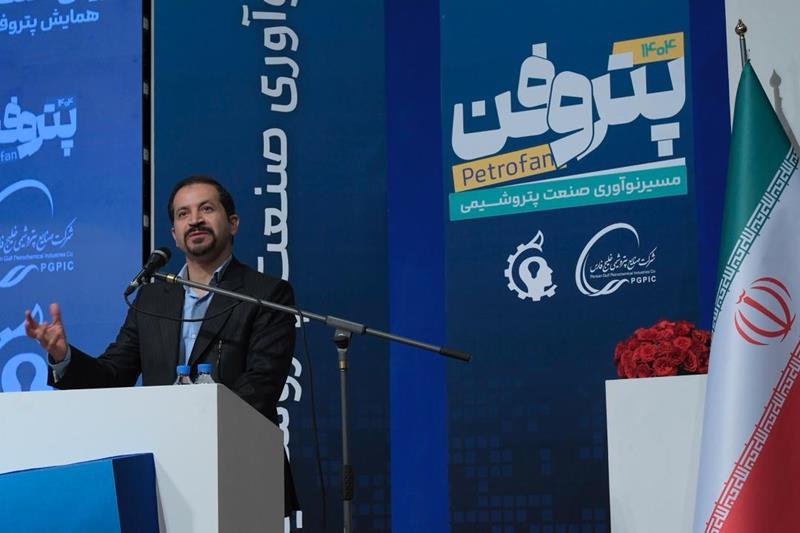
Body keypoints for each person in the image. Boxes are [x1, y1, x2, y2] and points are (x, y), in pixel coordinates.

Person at [24, 175, 299, 515]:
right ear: (174, 234)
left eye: (206, 209)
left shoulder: (267, 294)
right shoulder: (152, 298)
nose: (194, 220)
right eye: (183, 214)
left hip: (242, 469)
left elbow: (261, 386)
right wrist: (62, 355)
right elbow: (113, 376)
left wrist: (191, 427)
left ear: (233, 223)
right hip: (167, 474)